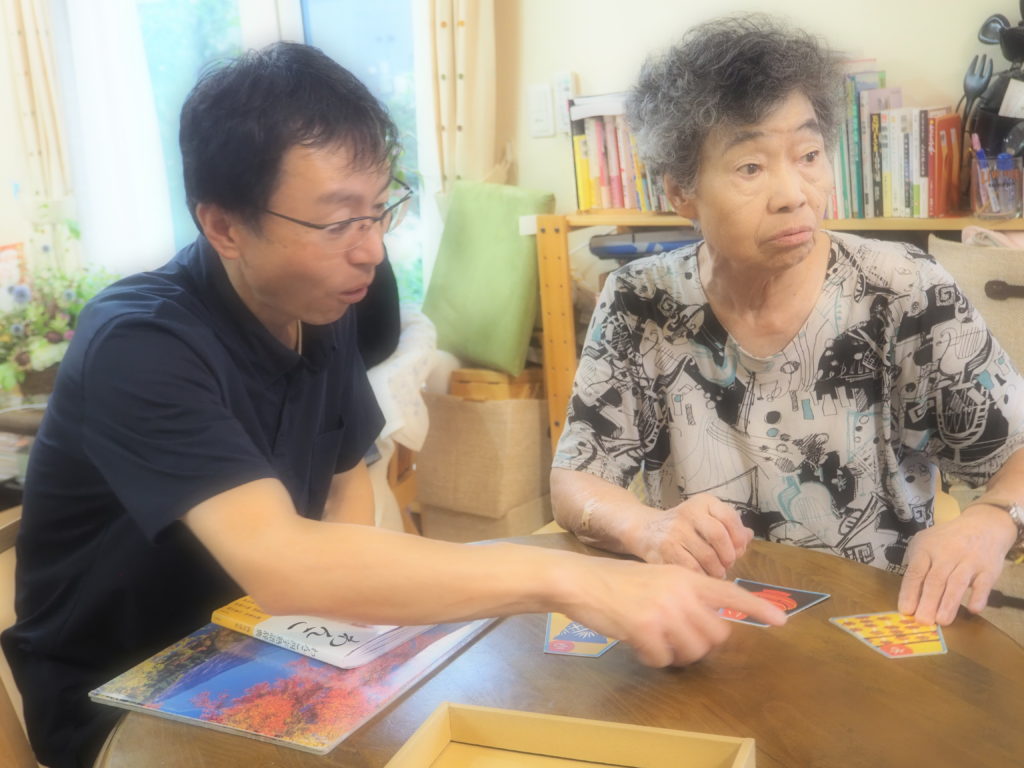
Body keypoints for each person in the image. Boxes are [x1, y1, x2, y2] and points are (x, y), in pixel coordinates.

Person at [1, 42, 785, 768]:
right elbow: (281, 562)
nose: (371, 249)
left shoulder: (323, 299)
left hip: (275, 650)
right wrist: (572, 580)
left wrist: (351, 624)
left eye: (379, 209)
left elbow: (343, 481)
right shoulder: (141, 342)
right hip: (125, 702)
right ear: (223, 225)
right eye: (337, 220)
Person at [551, 16, 1024, 634]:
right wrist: (647, 527)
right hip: (704, 628)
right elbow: (577, 478)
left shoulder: (904, 289)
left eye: (808, 155)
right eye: (750, 167)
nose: (793, 194)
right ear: (681, 192)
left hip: (873, 630)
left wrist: (993, 518)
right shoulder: (640, 299)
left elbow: (1017, 453)